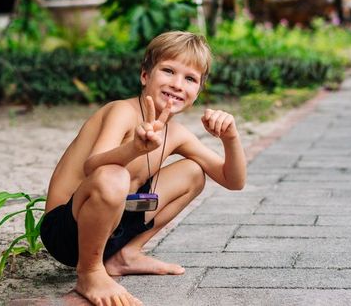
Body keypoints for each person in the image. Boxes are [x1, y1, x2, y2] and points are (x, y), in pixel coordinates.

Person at [40, 31, 247, 305]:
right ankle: (89, 272)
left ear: (198, 92)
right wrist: (134, 149)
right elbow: (93, 167)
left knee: (194, 173)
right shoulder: (122, 112)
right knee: (114, 175)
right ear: (145, 76)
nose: (177, 84)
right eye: (168, 71)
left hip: (114, 227)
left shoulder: (178, 133)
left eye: (190, 78)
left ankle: (125, 255)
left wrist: (231, 137)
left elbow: (233, 181)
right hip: (68, 230)